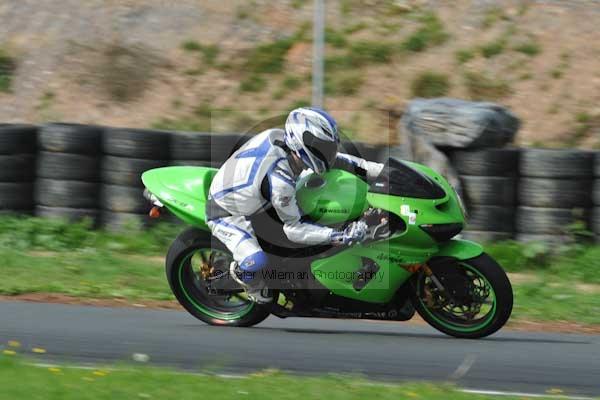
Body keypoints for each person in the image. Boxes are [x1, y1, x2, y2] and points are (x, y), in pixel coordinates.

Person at [206, 107, 384, 303]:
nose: (331, 153)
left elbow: (347, 162)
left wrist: (386, 172)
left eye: (332, 146)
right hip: (226, 212)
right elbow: (293, 229)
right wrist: (339, 236)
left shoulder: (292, 148)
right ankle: (242, 276)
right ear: (303, 144)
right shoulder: (279, 180)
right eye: (325, 148)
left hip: (255, 195)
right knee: (256, 262)